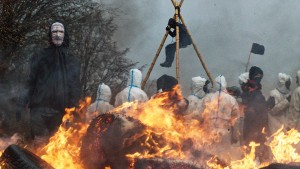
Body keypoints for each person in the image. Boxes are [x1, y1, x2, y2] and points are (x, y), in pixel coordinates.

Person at [16, 21, 81, 146]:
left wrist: (74, 110)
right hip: (39, 108)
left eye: (60, 32)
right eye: (54, 32)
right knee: (39, 144)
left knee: (56, 145)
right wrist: (21, 103)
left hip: (59, 110)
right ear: (50, 35)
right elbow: (31, 81)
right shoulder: (40, 55)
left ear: (65, 34)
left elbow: (75, 87)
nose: (57, 35)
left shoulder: (71, 58)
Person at [241, 66, 269, 162]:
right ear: (252, 76)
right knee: (249, 153)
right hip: (250, 128)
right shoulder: (247, 91)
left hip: (260, 127)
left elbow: (262, 110)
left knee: (261, 153)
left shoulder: (257, 91)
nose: (259, 79)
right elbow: (248, 110)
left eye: (260, 77)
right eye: (257, 76)